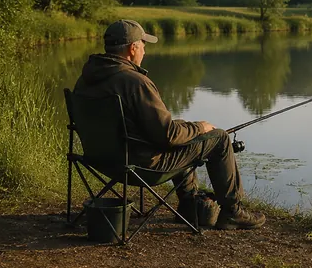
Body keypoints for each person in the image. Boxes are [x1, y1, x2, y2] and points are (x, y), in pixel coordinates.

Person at [73, 19, 265, 230]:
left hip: (101, 160)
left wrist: (187, 128)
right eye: (143, 45)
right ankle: (232, 212)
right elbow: (167, 136)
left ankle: (189, 206)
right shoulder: (134, 82)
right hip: (141, 166)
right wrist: (200, 128)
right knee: (217, 138)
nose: (145, 50)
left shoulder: (85, 79)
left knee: (185, 132)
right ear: (132, 48)